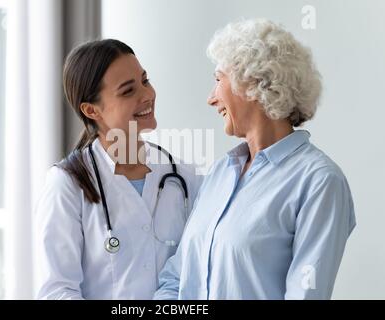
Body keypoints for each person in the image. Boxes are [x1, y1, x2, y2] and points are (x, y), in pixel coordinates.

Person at [154, 19, 356, 300]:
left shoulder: (319, 181)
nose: (211, 98)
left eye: (217, 80)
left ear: (252, 81)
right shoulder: (219, 173)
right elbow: (176, 278)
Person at [35, 39, 202, 299]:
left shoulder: (183, 177)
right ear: (91, 110)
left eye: (145, 81)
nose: (147, 95)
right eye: (128, 91)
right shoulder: (67, 184)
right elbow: (57, 291)